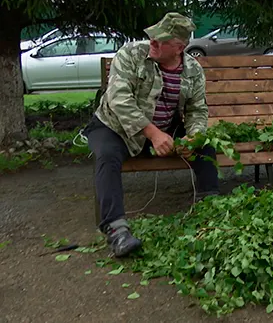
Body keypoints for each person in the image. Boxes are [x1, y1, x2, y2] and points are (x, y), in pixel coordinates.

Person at [84, 13, 220, 257]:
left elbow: (197, 109)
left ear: (179, 47)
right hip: (114, 126)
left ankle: (210, 213)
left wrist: (194, 137)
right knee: (107, 155)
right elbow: (118, 100)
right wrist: (153, 133)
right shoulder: (130, 54)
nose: (152, 43)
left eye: (159, 41)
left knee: (206, 147)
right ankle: (116, 232)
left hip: (163, 128)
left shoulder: (192, 71)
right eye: (152, 38)